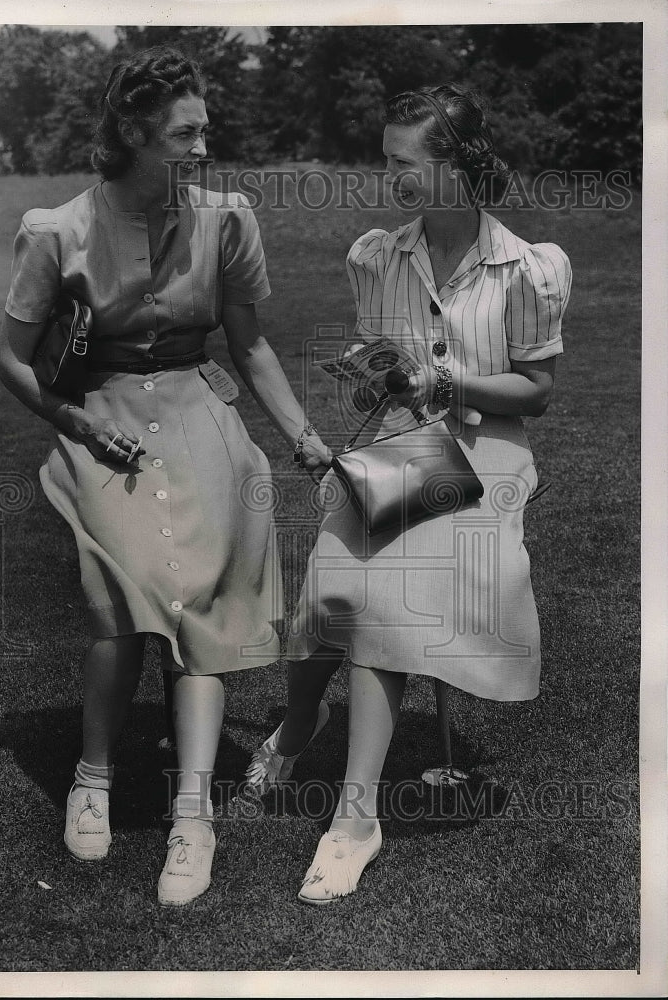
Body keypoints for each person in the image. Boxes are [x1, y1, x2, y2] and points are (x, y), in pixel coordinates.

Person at [0, 46, 331, 907]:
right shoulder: (56, 228)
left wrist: (300, 435)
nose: (204, 144)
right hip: (97, 420)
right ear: (135, 132)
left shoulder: (228, 218)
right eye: (187, 131)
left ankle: (192, 818)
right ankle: (94, 776)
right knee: (128, 596)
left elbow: (248, 343)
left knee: (200, 607)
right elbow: (12, 360)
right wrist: (72, 422)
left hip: (198, 415)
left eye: (206, 127)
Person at [245, 85, 572, 904]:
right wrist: (376, 378)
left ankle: (354, 818)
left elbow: (533, 391)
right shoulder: (375, 256)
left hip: (483, 456)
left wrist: (447, 377)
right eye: (384, 158)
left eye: (402, 162)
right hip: (410, 446)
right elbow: (385, 371)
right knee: (333, 576)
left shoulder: (527, 266)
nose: (386, 176)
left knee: (383, 590)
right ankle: (297, 720)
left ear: (457, 166)